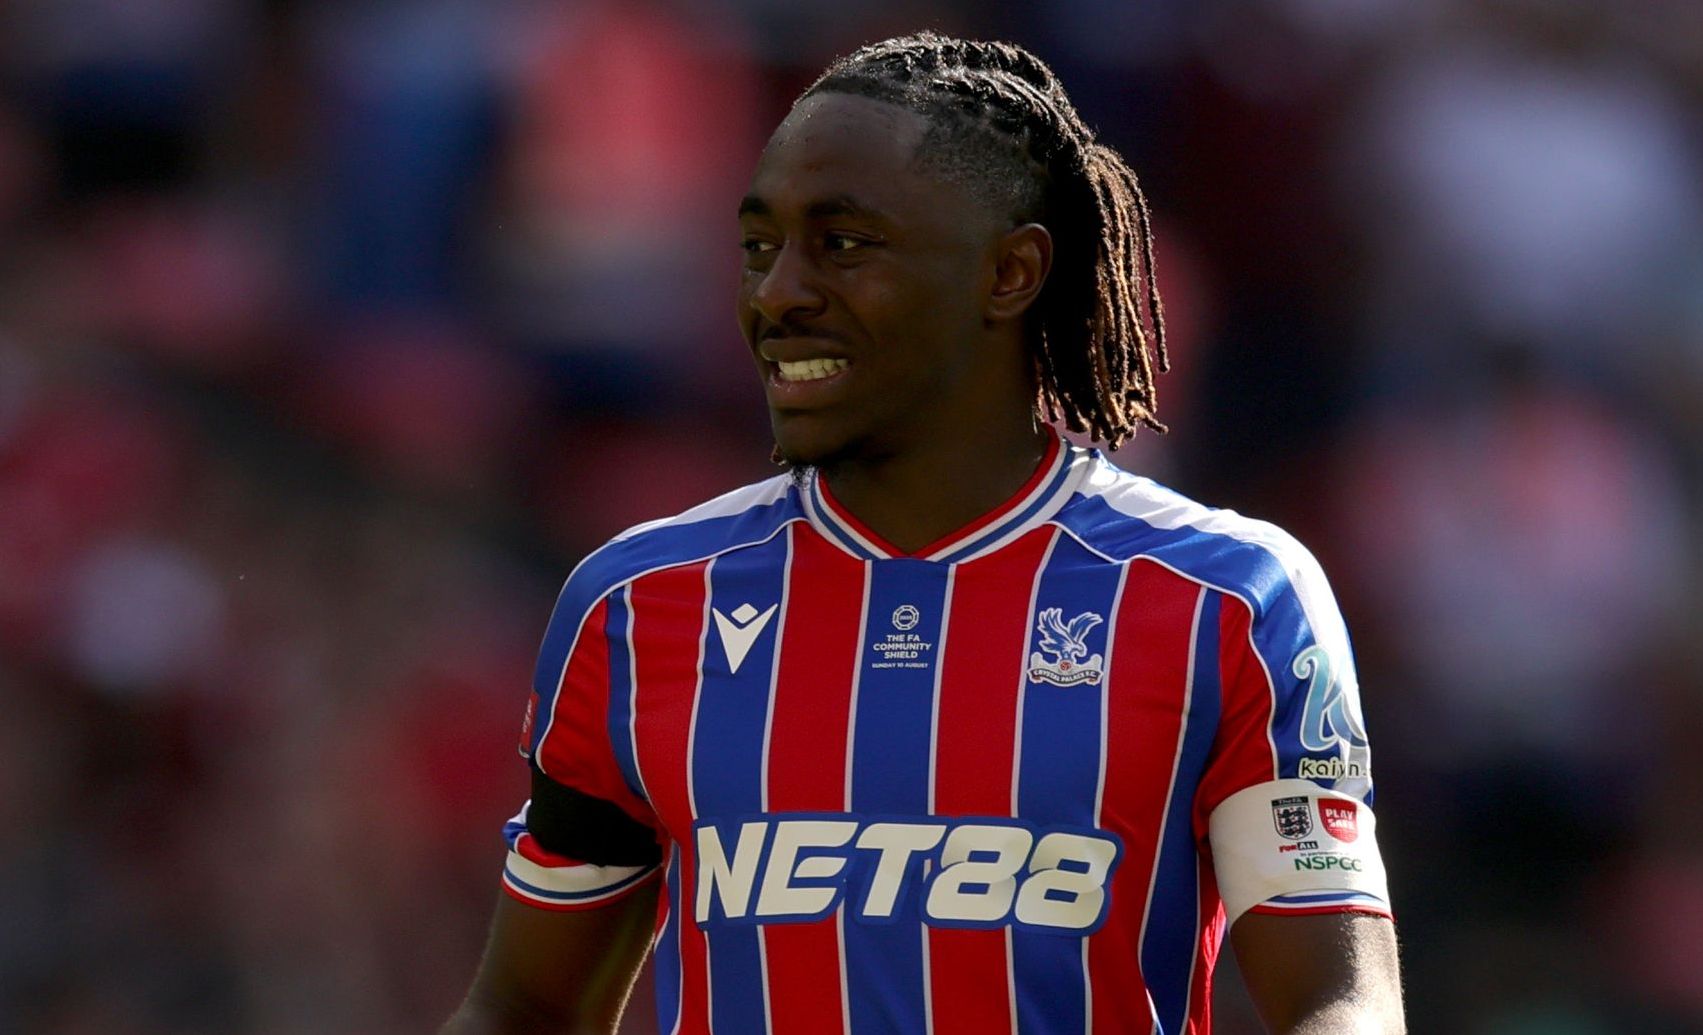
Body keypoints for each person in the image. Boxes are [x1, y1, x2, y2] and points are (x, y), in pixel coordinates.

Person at [444, 32, 1403, 1035]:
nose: (777, 293)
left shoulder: (1226, 599)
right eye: (760, 248)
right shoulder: (638, 606)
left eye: (843, 244)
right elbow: (523, 1008)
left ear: (1010, 272)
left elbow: (1336, 1000)